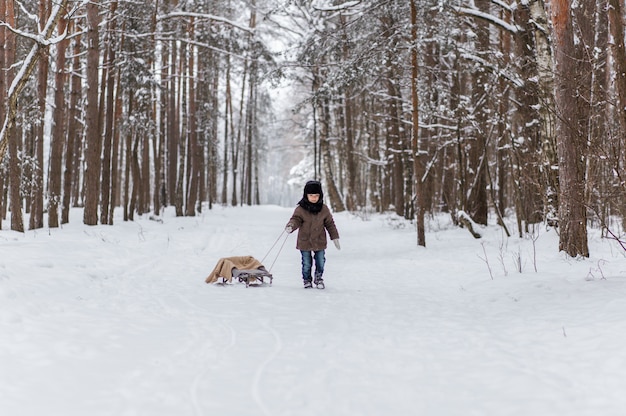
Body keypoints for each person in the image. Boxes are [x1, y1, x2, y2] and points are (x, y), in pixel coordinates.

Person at [285, 180, 340, 289]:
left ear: (320, 196)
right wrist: (291, 226)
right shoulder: (300, 209)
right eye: (311, 195)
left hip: (319, 241)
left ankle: (318, 278)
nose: (314, 198)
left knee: (321, 261)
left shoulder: (324, 209)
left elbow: (330, 224)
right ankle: (307, 280)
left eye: (316, 195)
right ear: (306, 195)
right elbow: (295, 219)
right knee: (306, 263)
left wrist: (335, 237)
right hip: (305, 241)